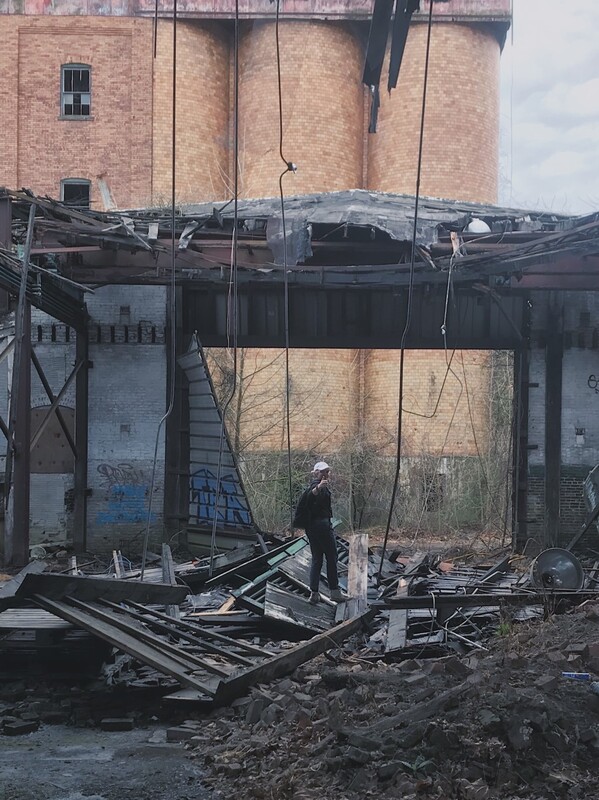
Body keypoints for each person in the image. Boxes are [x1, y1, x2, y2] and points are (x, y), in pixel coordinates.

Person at [304, 461, 344, 604]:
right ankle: (334, 592)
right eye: (322, 472)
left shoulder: (318, 486)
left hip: (311, 528)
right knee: (332, 556)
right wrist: (319, 488)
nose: (325, 474)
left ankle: (314, 593)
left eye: (327, 471)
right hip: (322, 527)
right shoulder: (316, 486)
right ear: (315, 473)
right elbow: (311, 495)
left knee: (317, 559)